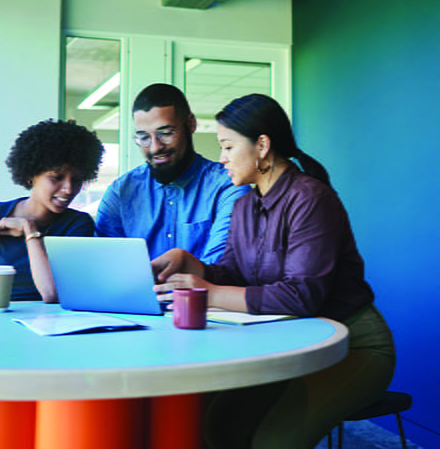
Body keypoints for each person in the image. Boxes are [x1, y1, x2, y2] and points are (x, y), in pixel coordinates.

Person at [152, 94, 396, 449]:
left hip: (352, 345)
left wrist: (205, 291)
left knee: (274, 439)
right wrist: (193, 265)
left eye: (228, 146)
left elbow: (301, 296)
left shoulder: (311, 198)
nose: (221, 159)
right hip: (293, 342)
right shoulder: (244, 206)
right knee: (217, 424)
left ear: (262, 146)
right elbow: (236, 274)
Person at [95, 83, 249, 263]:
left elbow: (221, 266)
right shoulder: (120, 192)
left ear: (191, 124)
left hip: (202, 291)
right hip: (138, 292)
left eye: (166, 133)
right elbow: (106, 264)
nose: (155, 147)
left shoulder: (228, 185)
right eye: (144, 137)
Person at [0, 119, 104, 304]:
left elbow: (51, 293)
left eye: (76, 179)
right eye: (56, 177)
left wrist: (30, 231)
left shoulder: (78, 225)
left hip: (54, 323)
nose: (69, 189)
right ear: (31, 174)